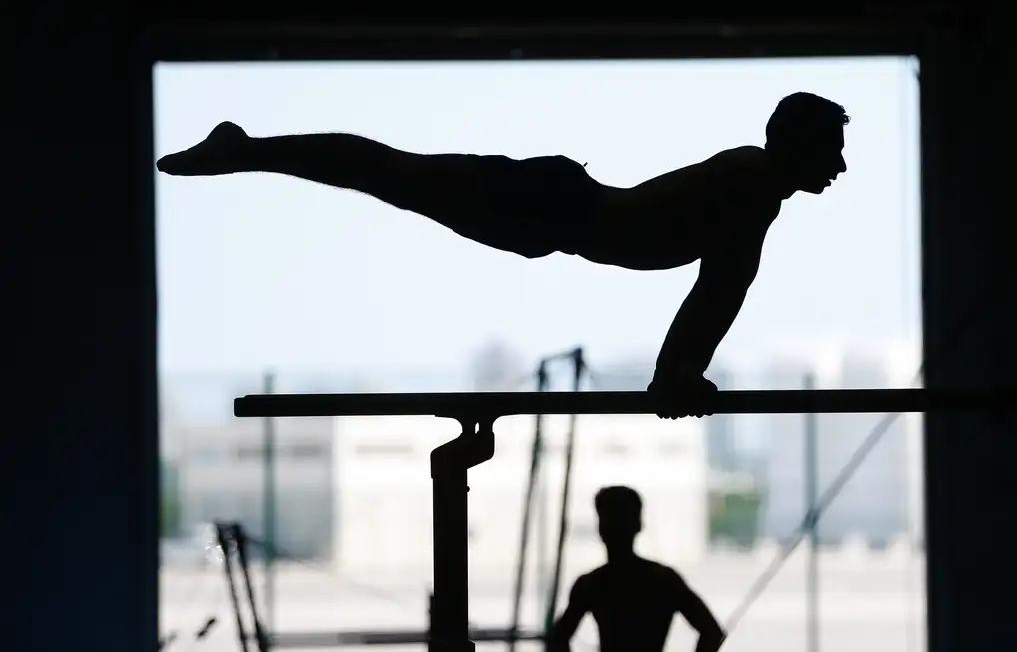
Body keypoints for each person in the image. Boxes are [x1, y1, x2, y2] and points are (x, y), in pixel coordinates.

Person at [156, 92, 849, 415]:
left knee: (396, 178)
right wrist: (675, 378)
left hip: (554, 209)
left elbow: (717, 293)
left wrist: (676, 377)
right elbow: (718, 293)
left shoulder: (754, 181)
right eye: (834, 150)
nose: (841, 167)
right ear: (801, 143)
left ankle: (245, 149)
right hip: (553, 207)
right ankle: (243, 149)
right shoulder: (754, 184)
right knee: (393, 176)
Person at [546, 486, 724, 652]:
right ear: (638, 525)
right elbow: (712, 633)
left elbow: (557, 640)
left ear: (601, 529)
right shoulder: (663, 580)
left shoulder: (592, 584)